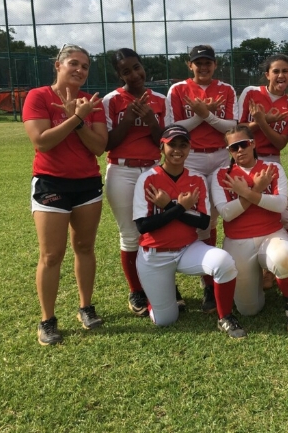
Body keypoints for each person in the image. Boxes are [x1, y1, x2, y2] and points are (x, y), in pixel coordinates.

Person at [23, 44, 108, 346]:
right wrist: (74, 119)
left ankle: (85, 307)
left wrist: (81, 117)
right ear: (57, 66)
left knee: (85, 247)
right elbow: (42, 142)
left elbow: (99, 147)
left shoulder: (92, 102)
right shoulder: (38, 96)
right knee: (51, 255)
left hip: (87, 185)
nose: (80, 70)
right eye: (74, 63)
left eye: (85, 66)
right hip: (51, 185)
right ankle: (47, 320)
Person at [133, 125, 247, 339]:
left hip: (187, 249)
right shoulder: (147, 178)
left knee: (223, 261)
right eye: (172, 145)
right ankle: (155, 298)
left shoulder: (196, 178)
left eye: (183, 145)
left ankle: (225, 316)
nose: (177, 150)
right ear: (162, 147)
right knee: (165, 320)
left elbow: (203, 222)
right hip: (154, 255)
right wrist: (180, 208)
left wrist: (168, 206)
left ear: (189, 148)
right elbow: (143, 226)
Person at [211, 126, 288, 334]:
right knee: (249, 309)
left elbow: (280, 205)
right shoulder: (221, 174)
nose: (239, 151)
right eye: (233, 148)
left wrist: (246, 192)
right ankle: (260, 285)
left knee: (284, 258)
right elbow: (227, 213)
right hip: (237, 239)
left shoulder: (271, 168)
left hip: (271, 233)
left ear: (253, 143)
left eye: (243, 144)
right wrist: (258, 191)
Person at [165, 45, 238, 313]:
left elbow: (233, 126)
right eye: (198, 62)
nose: (203, 67)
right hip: (191, 156)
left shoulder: (227, 89)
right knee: (188, 214)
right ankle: (173, 279)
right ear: (189, 65)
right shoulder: (179, 89)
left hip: (220, 156)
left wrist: (205, 115)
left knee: (213, 216)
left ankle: (209, 282)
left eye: (208, 62)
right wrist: (203, 115)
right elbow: (174, 128)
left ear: (215, 65)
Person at [102, 48, 166, 317]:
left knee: (157, 233)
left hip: (152, 169)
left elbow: (163, 141)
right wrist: (129, 117)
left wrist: (150, 118)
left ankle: (162, 286)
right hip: (122, 169)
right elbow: (109, 142)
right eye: (126, 70)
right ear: (119, 75)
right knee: (130, 234)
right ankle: (136, 290)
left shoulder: (160, 99)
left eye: (137, 67)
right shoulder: (111, 100)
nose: (134, 74)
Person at [236, 54, 288, 292]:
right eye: (276, 71)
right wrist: (260, 121)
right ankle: (262, 269)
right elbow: (238, 132)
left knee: (283, 217)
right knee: (251, 211)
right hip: (246, 161)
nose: (281, 76)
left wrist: (263, 122)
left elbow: (281, 143)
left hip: (272, 161)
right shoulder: (251, 92)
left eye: (285, 71)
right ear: (267, 74)